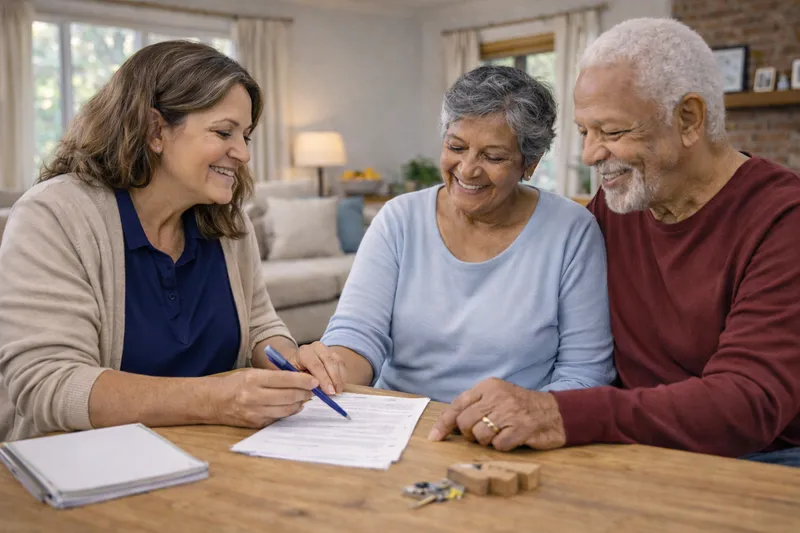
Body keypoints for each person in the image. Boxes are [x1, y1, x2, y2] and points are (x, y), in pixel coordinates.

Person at [429, 18, 800, 465]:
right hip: (629, 442)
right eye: (585, 131)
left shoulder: (784, 220)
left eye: (613, 132)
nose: (590, 156)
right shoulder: (617, 204)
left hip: (757, 458)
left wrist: (560, 413)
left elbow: (746, 403)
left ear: (689, 119)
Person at [0, 41, 334, 441]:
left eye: (245, 136)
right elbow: (47, 383)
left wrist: (292, 360)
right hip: (84, 469)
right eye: (224, 132)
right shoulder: (55, 215)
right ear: (155, 130)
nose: (243, 153)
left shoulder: (230, 221)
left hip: (218, 458)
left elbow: (261, 325)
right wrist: (214, 400)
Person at [298, 66, 616, 408]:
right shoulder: (398, 219)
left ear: (531, 163)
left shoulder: (572, 231)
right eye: (456, 147)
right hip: (399, 424)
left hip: (511, 429)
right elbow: (357, 334)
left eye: (493, 156)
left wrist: (525, 414)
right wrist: (331, 371)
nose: (467, 170)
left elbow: (585, 373)